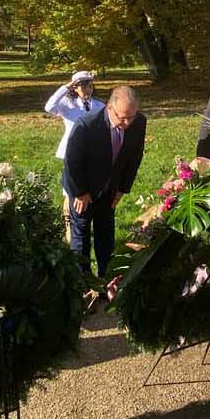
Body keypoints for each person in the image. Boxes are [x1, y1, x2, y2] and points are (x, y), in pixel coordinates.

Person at [62, 86, 147, 279]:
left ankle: (105, 280)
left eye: (131, 117)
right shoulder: (87, 126)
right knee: (80, 237)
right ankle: (82, 283)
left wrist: (122, 189)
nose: (126, 123)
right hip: (83, 189)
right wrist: (81, 192)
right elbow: (72, 162)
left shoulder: (138, 122)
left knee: (105, 235)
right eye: (121, 117)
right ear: (109, 108)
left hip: (110, 189)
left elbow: (134, 157)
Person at [44, 71, 104, 161]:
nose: (87, 90)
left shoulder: (100, 105)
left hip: (93, 148)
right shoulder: (67, 104)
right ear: (75, 88)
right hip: (72, 147)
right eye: (83, 86)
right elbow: (49, 107)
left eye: (90, 86)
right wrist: (66, 87)